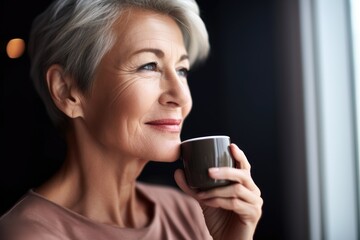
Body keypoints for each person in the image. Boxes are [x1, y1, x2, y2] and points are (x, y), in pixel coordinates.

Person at [0, 0, 263, 239]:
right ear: (67, 91)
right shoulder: (27, 233)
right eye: (149, 65)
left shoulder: (190, 214)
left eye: (182, 70)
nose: (182, 97)